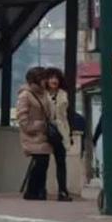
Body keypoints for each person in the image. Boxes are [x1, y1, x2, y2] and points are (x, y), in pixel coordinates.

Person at [16, 67, 51, 200]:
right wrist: (35, 126)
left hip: (44, 134)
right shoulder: (25, 95)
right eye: (43, 78)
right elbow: (22, 118)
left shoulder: (45, 94)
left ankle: (39, 190)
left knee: (44, 162)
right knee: (40, 162)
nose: (45, 81)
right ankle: (32, 190)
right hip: (33, 135)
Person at [44, 67, 72, 201]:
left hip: (60, 131)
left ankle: (62, 191)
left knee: (61, 161)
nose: (54, 80)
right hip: (45, 129)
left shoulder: (63, 94)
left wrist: (68, 134)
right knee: (42, 161)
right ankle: (40, 189)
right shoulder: (42, 94)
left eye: (56, 78)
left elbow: (66, 116)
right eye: (51, 78)